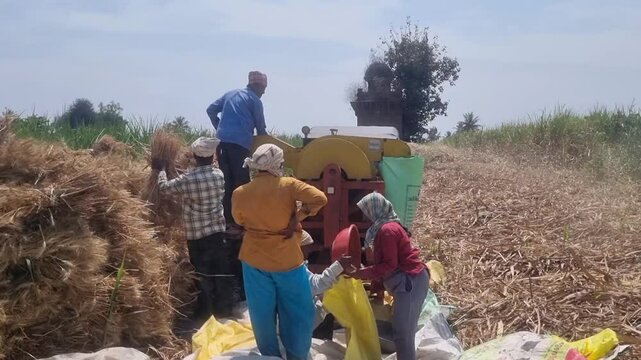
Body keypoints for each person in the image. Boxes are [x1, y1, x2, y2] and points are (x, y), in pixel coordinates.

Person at [231, 144, 327, 360]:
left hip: (253, 259)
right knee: (297, 312)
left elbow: (239, 221)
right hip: (287, 259)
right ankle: (297, 355)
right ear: (278, 164)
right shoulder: (289, 185)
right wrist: (297, 217)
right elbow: (320, 198)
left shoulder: (240, 192)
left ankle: (270, 356)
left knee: (261, 314)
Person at [154, 137, 239, 322]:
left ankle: (205, 313)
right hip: (217, 233)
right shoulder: (219, 175)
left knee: (202, 274)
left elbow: (164, 188)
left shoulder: (188, 180)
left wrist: (161, 169)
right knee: (221, 272)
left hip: (197, 236)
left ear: (194, 156)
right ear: (213, 156)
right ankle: (224, 310)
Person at [349, 192, 429, 360]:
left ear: (375, 209)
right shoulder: (386, 227)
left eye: (366, 210)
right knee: (402, 334)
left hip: (410, 283)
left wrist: (361, 273)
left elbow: (389, 265)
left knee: (403, 335)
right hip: (408, 282)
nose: (364, 215)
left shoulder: (386, 230)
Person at [206, 71, 268, 238]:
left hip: (222, 143)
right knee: (241, 183)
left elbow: (210, 110)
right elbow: (261, 130)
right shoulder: (255, 101)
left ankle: (228, 222)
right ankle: (242, 223)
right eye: (263, 89)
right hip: (239, 145)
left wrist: (219, 127)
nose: (264, 92)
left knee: (227, 182)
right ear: (258, 86)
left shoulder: (230, 94)